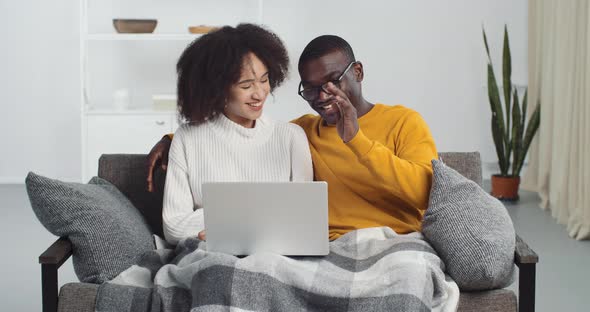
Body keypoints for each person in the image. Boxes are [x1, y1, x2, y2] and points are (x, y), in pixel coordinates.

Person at [148, 34, 437, 241]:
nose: (322, 97)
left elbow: (424, 194)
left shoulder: (404, 121)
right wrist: (172, 139)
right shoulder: (304, 131)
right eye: (310, 88)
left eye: (333, 82)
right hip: (332, 246)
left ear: (357, 72)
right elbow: (243, 133)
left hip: (397, 240)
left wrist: (357, 139)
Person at [161, 23, 313, 245]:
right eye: (246, 86)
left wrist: (224, 224)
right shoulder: (188, 138)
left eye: (264, 80)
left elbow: (303, 219)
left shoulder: (291, 137)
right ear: (218, 89)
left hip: (276, 256)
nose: (260, 93)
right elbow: (174, 226)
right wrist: (265, 217)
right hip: (210, 255)